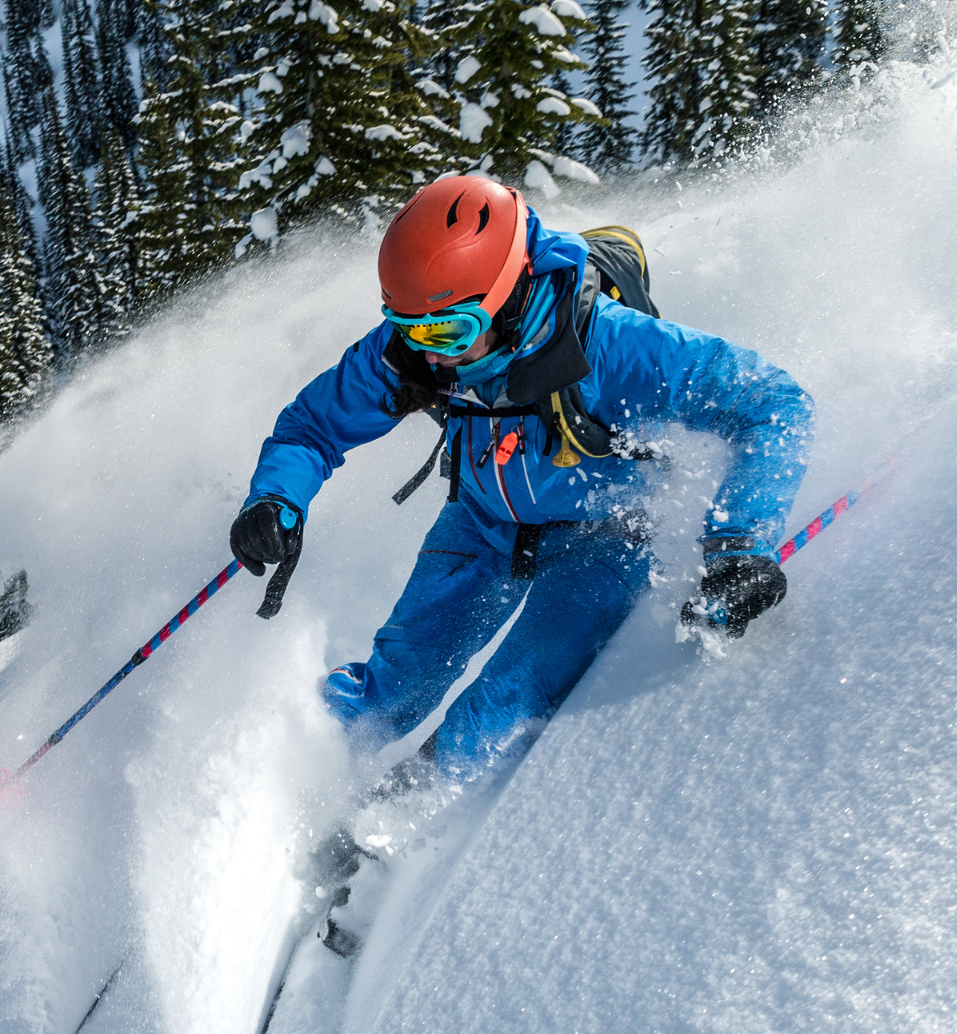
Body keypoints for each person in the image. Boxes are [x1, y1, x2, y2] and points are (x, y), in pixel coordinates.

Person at [229, 175, 813, 790]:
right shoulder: (415, 343)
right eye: (406, 329)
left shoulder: (609, 345)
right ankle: (270, 776)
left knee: (496, 709)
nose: (429, 356)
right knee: (392, 687)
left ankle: (387, 833)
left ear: (506, 295)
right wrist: (275, 497)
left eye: (444, 334)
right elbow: (313, 427)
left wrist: (740, 544)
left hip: (602, 535)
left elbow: (773, 403)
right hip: (481, 524)